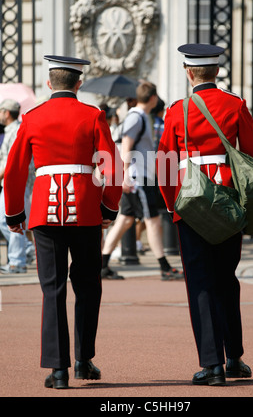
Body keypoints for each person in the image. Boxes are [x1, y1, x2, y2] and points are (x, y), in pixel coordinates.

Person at [3, 55, 123, 389]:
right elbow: (112, 166)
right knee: (87, 286)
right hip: (85, 211)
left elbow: (14, 170)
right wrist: (109, 207)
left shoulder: (33, 117)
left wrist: (15, 213)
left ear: (48, 84)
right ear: (79, 84)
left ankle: (58, 370)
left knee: (52, 289)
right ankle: (84, 360)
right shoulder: (93, 115)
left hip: (44, 212)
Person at [157, 43, 253, 386]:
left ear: (189, 72)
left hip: (191, 204)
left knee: (200, 284)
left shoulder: (177, 110)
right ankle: (234, 357)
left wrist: (174, 204)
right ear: (216, 71)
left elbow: (164, 165)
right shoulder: (235, 105)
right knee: (226, 280)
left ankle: (212, 364)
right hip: (229, 201)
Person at [101, 81, 183, 281]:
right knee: (153, 221)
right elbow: (127, 145)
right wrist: (126, 175)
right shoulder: (137, 117)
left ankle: (102, 265)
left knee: (124, 220)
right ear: (153, 98)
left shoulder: (138, 116)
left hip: (138, 176)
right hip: (138, 179)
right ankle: (164, 267)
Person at [0, 99, 35, 274]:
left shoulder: (15, 130)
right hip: (14, 181)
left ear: (6, 113)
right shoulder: (12, 130)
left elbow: (11, 161)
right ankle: (26, 249)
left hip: (14, 181)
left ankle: (17, 261)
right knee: (6, 221)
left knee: (10, 220)